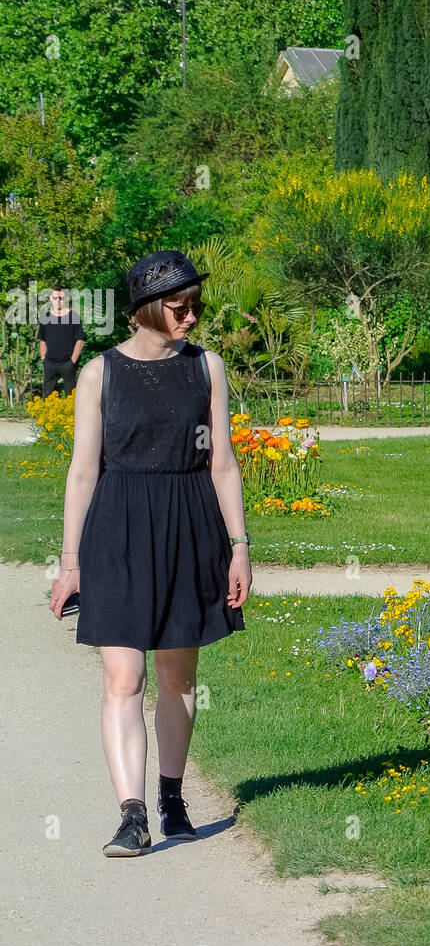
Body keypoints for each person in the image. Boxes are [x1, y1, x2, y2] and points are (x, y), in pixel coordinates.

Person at [48, 251, 252, 857]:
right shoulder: (99, 374)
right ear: (146, 310)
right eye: (178, 307)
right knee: (123, 674)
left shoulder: (206, 368)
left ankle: (171, 794)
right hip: (117, 527)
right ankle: (131, 814)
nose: (191, 317)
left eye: (196, 306)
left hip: (190, 525)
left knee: (177, 674)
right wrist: (70, 562)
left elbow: (222, 462)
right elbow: (83, 472)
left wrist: (239, 548)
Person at [38, 286, 85, 396]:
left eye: (61, 298)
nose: (58, 301)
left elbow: (80, 341)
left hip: (68, 363)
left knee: (71, 398)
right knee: (47, 398)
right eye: (55, 298)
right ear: (50, 298)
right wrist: (44, 360)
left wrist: (72, 362)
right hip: (49, 363)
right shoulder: (46, 317)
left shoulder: (73, 317)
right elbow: (42, 341)